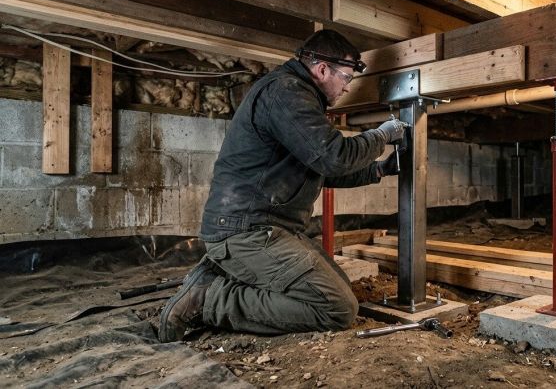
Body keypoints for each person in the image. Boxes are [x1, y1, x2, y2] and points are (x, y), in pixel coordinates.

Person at [158, 30, 407, 342]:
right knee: (337, 308)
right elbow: (333, 157)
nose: (347, 86)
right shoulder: (287, 94)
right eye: (346, 77)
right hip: (246, 231)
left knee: (340, 287)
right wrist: (381, 135)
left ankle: (221, 274)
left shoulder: (297, 97)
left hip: (267, 228)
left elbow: (322, 170)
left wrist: (380, 170)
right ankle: (209, 299)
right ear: (323, 69)